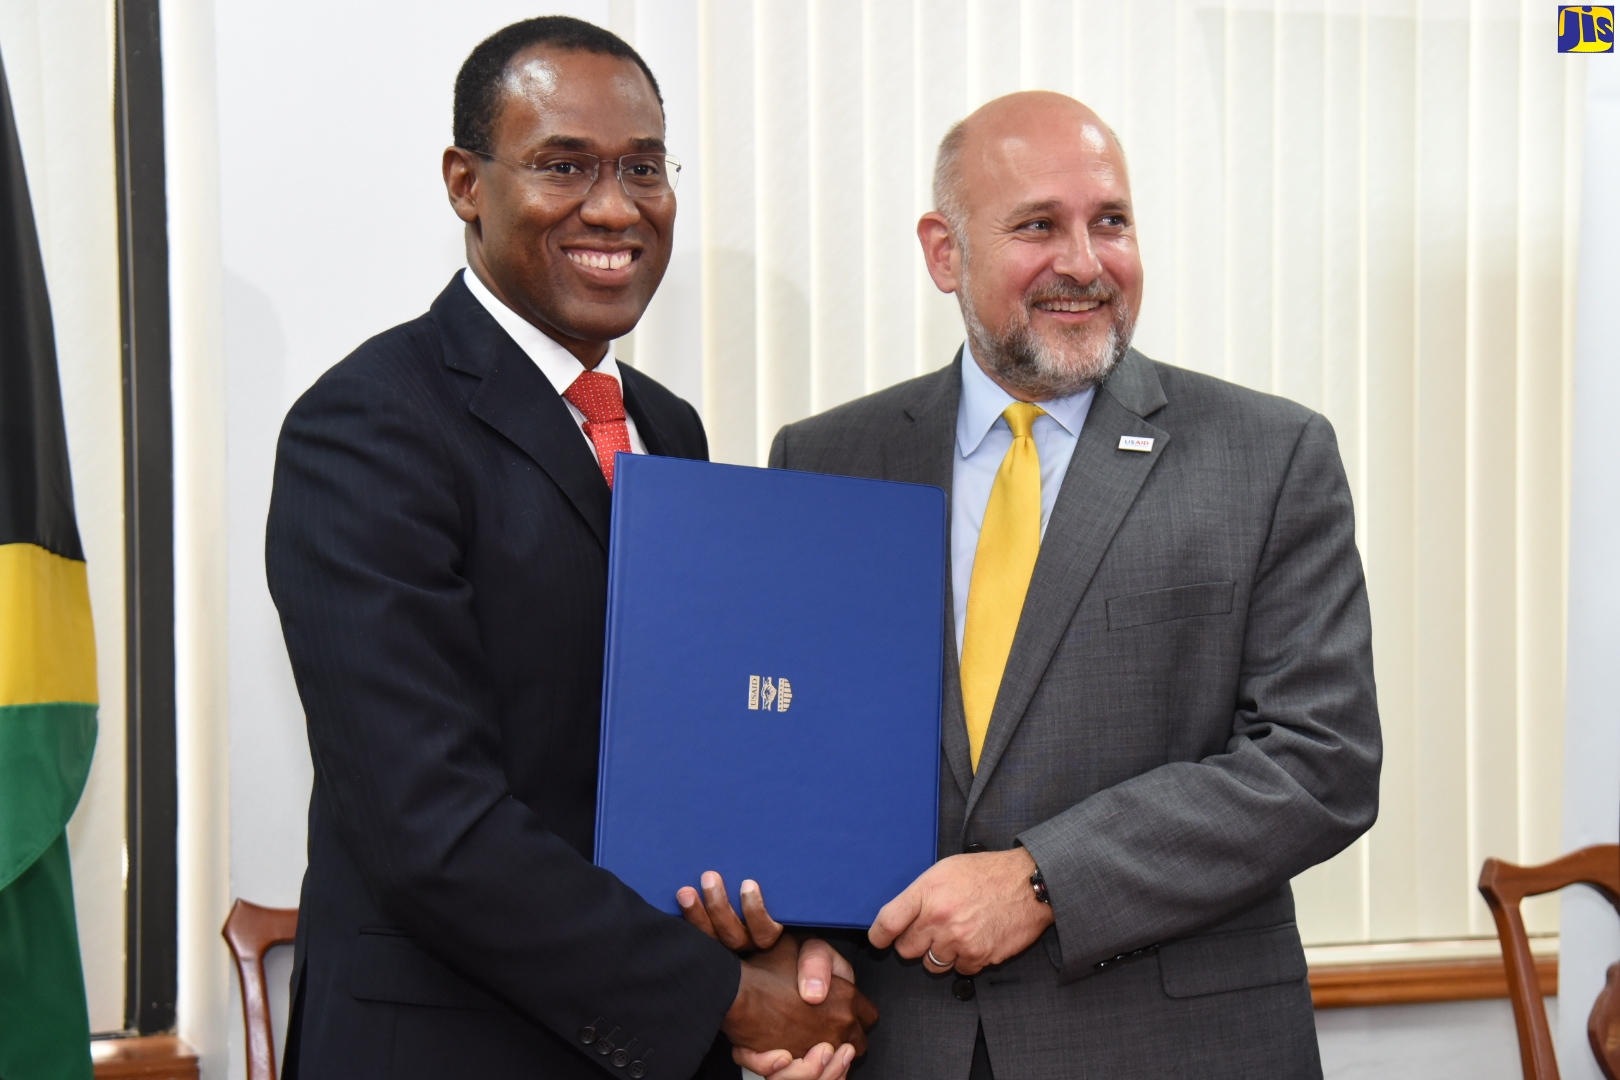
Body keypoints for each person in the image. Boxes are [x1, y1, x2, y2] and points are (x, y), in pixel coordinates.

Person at [691, 90, 1381, 1078]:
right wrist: (787, 957)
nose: (1085, 264)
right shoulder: (825, 459)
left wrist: (1044, 880)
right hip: (897, 1046)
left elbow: (1320, 760)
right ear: (944, 251)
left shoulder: (1269, 457)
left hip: (1175, 1049)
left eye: (1111, 222)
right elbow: (801, 757)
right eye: (1037, 226)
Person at [265, 17, 873, 1080]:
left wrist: (792, 944)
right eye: (564, 166)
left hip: (643, 1045)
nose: (614, 206)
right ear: (466, 183)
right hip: (449, 1046)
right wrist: (728, 1001)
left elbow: (692, 753)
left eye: (643, 166)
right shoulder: (367, 427)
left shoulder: (667, 426)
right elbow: (431, 828)